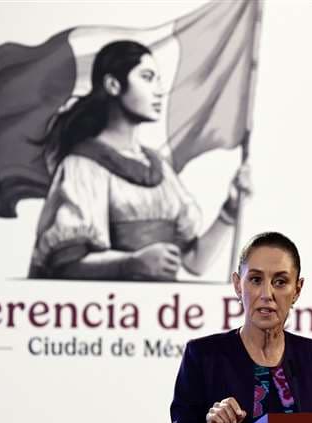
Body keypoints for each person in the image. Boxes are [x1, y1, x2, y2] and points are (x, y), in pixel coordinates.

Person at [28, 40, 250, 280]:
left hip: (163, 311)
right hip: (109, 311)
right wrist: (131, 263)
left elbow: (195, 263)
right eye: (147, 77)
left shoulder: (159, 168)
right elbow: (66, 266)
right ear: (113, 85)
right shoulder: (82, 165)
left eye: (157, 79)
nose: (158, 90)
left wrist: (230, 211)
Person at [166, 232, 312, 423]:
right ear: (238, 285)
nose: (266, 294)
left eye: (280, 282)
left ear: (298, 289)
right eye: (256, 280)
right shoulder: (203, 356)